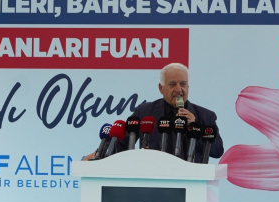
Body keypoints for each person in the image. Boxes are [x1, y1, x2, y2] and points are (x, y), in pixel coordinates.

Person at [84, 63, 224, 162]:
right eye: (172, 84)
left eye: (183, 84)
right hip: (152, 182)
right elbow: (122, 142)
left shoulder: (205, 116)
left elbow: (217, 151)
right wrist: (98, 154)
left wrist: (195, 127)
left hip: (192, 185)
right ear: (160, 88)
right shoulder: (144, 112)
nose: (178, 89)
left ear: (188, 87)